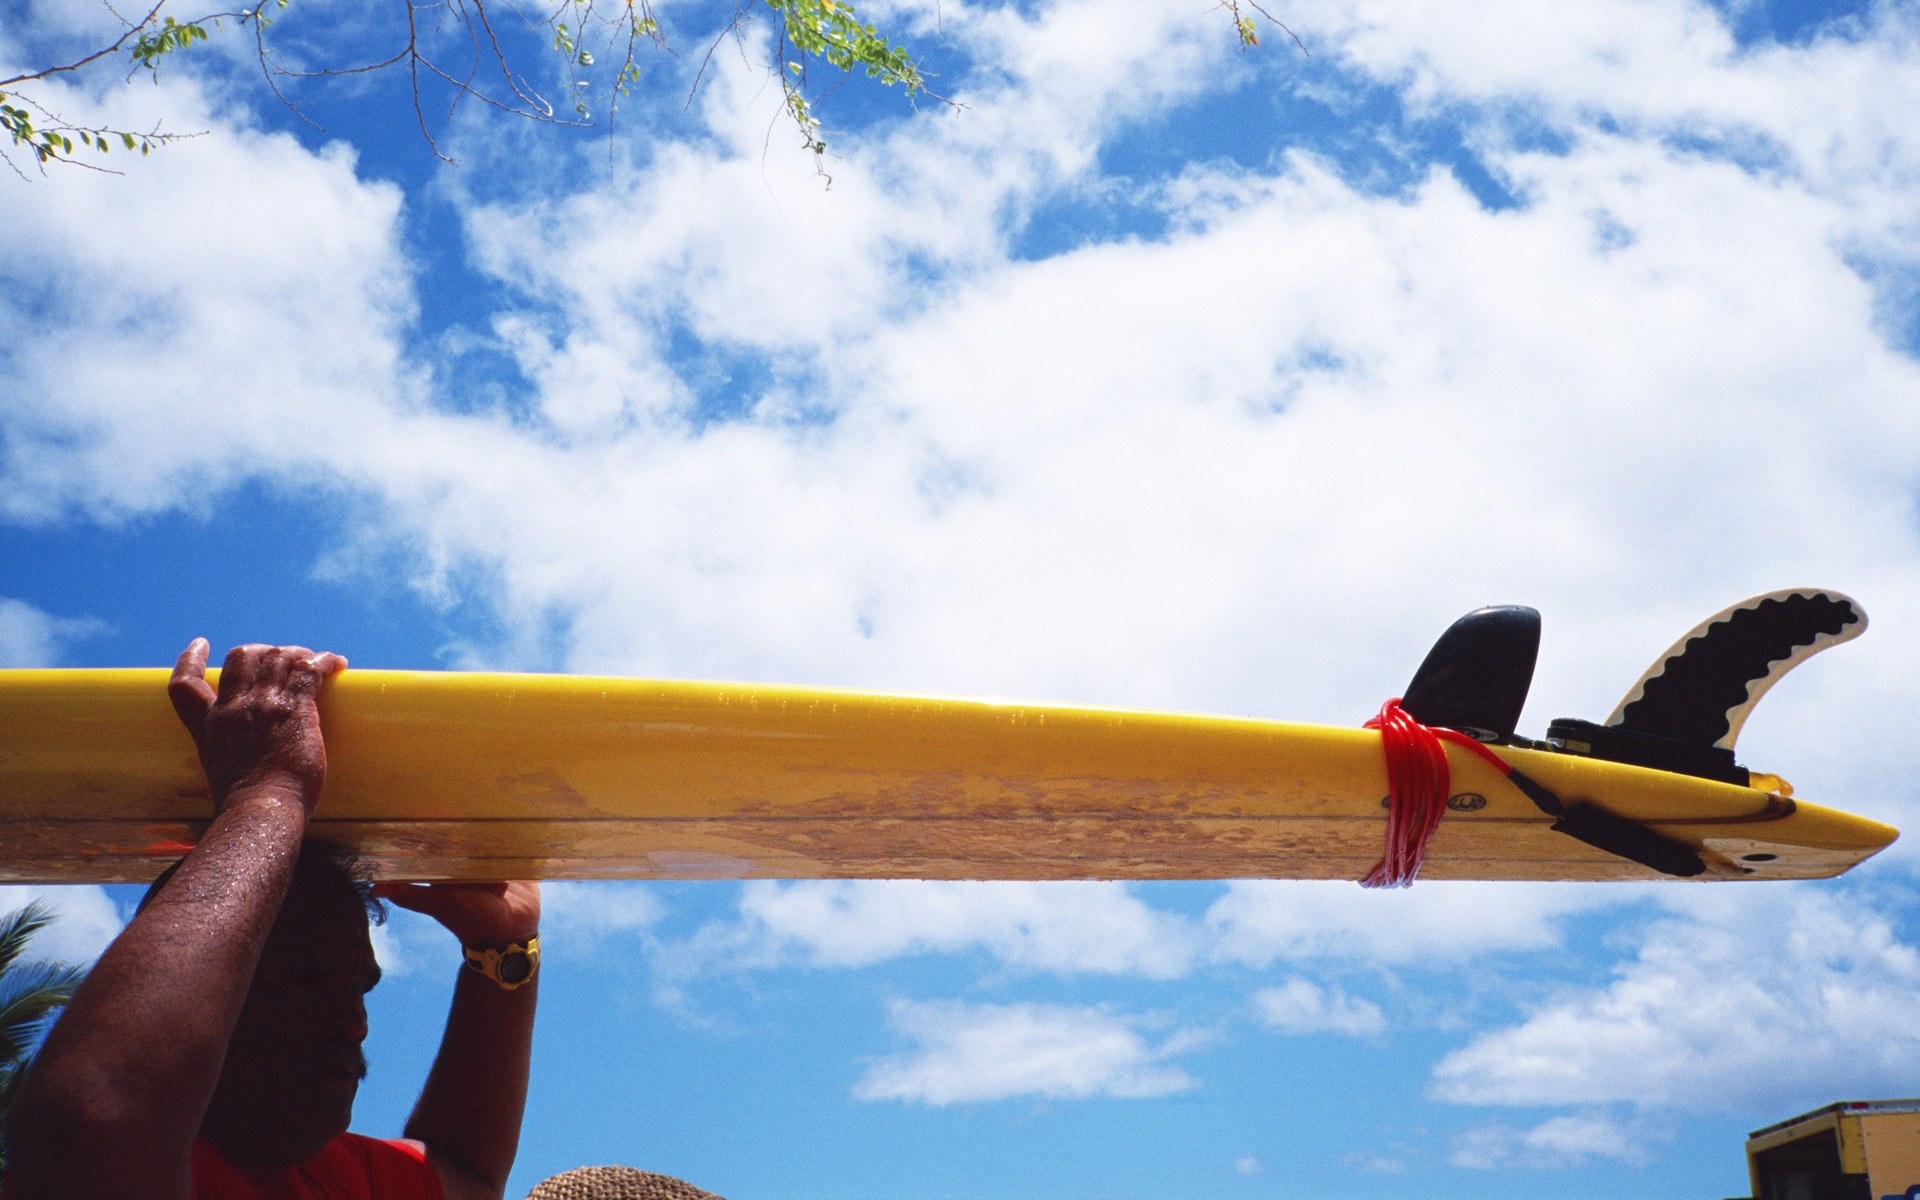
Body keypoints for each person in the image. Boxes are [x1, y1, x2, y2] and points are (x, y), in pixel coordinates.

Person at [4, 641, 541, 1200]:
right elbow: (92, 1136)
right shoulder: (173, 1167)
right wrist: (266, 796)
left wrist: (501, 948)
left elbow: (467, 1171)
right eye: (310, 980)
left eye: (360, 990)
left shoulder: (340, 1179)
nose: (355, 1024)